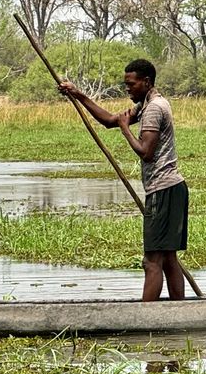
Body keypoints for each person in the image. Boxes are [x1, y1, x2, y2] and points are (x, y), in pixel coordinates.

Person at [58, 59, 188, 302]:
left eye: (131, 84)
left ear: (146, 82)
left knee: (152, 261)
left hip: (164, 189)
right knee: (169, 257)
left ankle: (146, 318)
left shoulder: (154, 109)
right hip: (172, 189)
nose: (127, 88)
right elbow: (110, 121)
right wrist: (78, 95)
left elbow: (145, 152)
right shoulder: (146, 104)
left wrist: (126, 128)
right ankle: (178, 313)